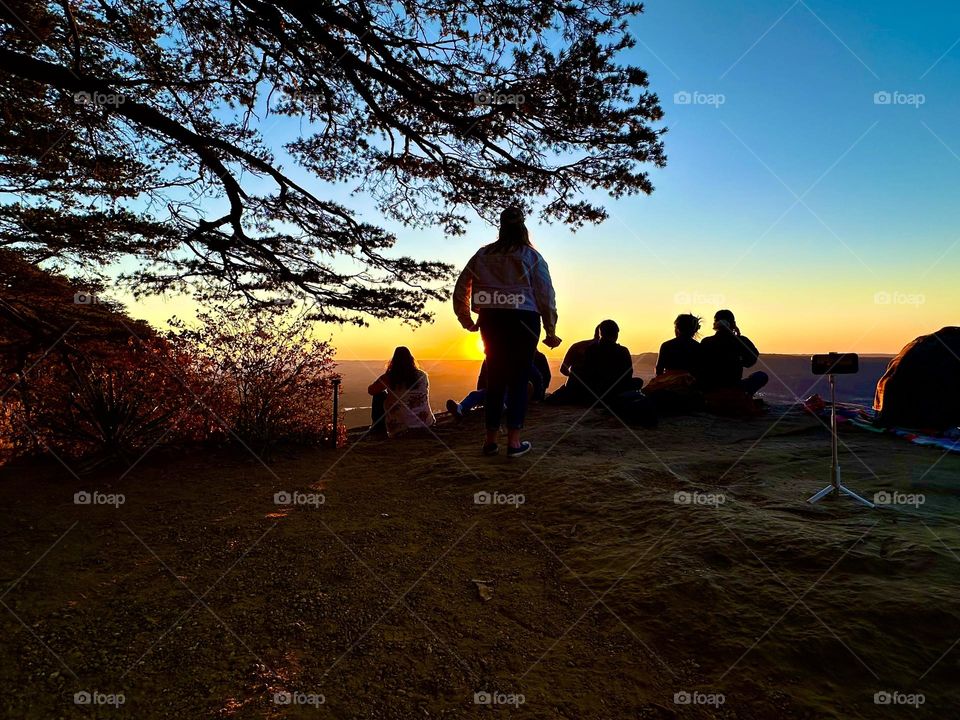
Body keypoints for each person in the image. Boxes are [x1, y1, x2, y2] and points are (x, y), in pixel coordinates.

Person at [453, 205, 561, 457]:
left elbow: (461, 288)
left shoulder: (482, 255)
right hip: (525, 318)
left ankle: (490, 439)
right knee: (520, 379)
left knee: (495, 377)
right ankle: (514, 442)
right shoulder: (532, 256)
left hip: (491, 318)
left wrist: (466, 319)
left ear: (500, 227)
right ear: (523, 227)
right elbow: (546, 295)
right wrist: (551, 329)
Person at [446, 350, 551, 419]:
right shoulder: (492, 356)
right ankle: (460, 408)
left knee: (506, 394)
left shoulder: (527, 357)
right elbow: (483, 376)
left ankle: (501, 406)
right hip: (496, 389)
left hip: (517, 392)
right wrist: (482, 390)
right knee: (475, 394)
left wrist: (537, 397)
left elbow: (541, 377)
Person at [367, 347, 436, 438]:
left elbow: (371, 390)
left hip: (401, 426)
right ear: (411, 359)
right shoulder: (422, 375)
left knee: (379, 395)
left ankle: (378, 429)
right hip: (426, 422)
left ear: (394, 361)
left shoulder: (390, 377)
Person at [698, 310, 768, 396]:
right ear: (733, 324)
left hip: (711, 386)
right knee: (761, 376)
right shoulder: (742, 341)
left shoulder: (706, 341)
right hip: (734, 385)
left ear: (715, 324)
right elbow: (750, 362)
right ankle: (744, 397)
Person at [579, 319, 638, 402]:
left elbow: (586, 371)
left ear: (600, 333)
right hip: (616, 389)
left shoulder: (591, 349)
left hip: (594, 389)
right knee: (638, 382)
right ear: (616, 334)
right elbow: (628, 374)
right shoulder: (622, 351)